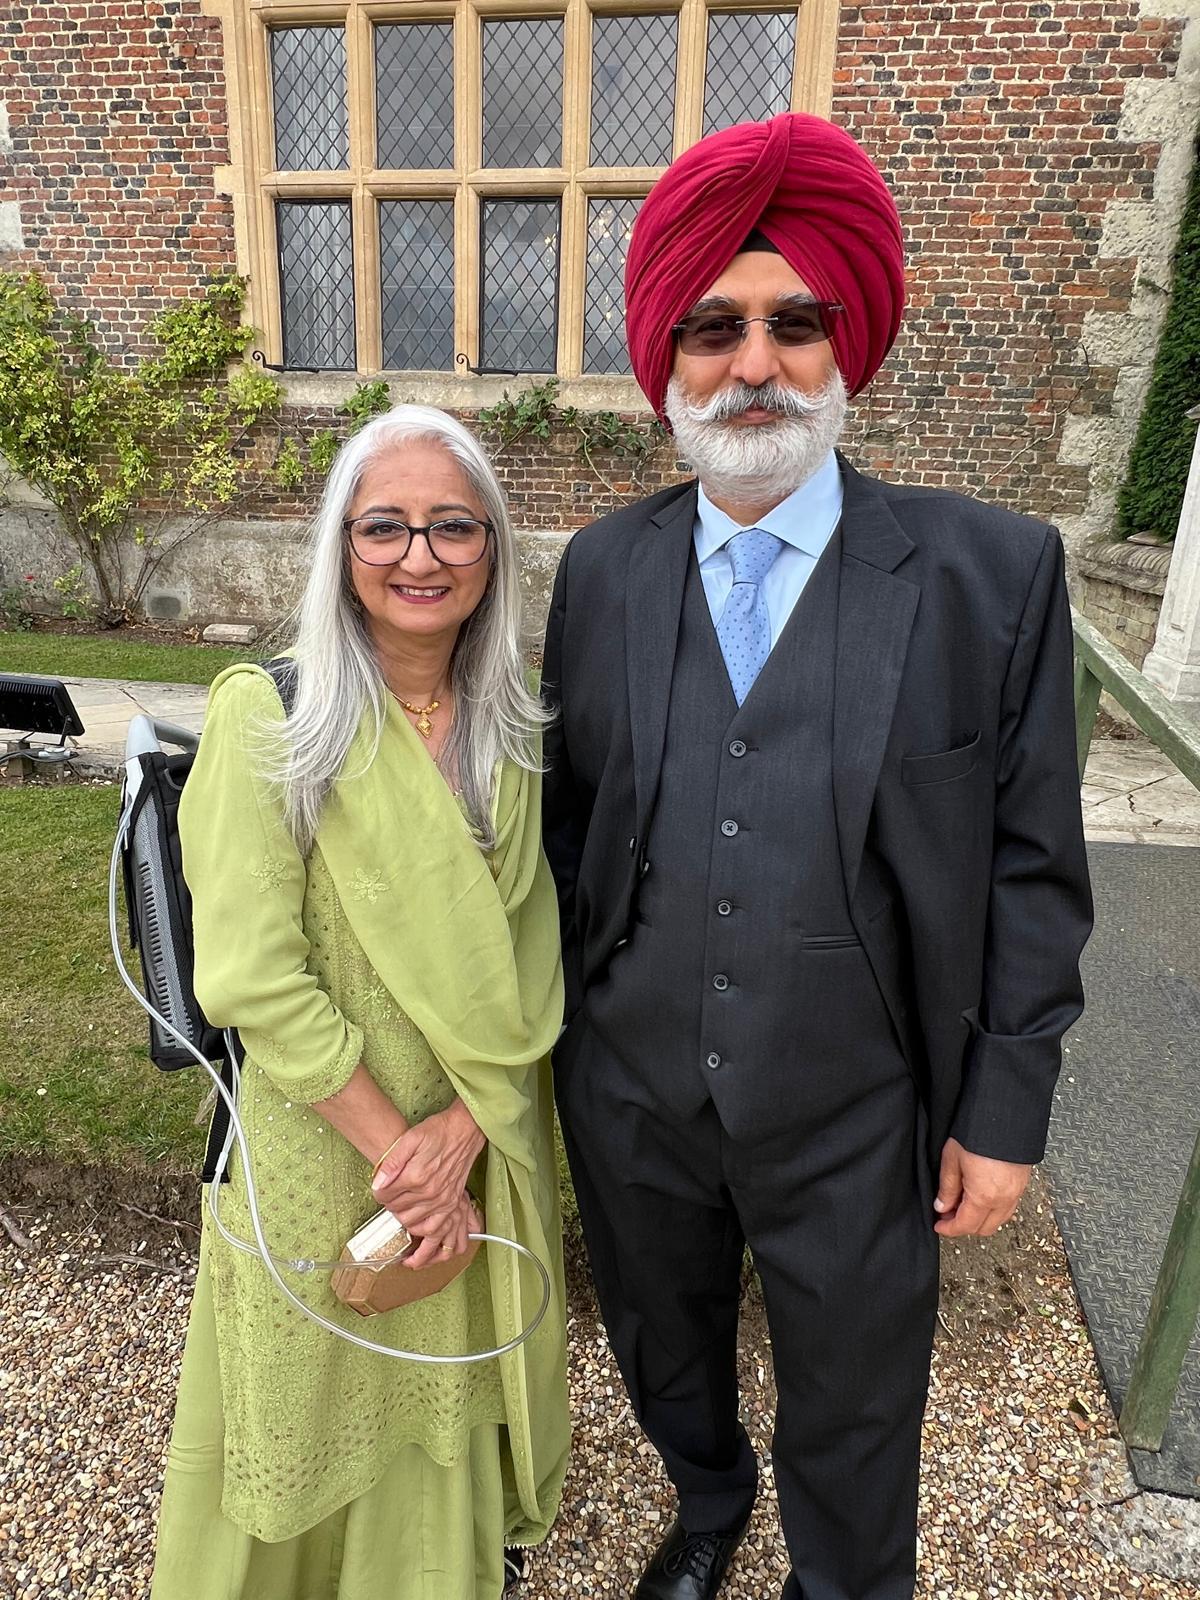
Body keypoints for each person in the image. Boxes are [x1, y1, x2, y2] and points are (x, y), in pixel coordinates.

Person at [542, 112, 1092, 1600]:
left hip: (860, 1104)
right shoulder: (603, 569)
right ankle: (708, 1498)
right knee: (662, 1342)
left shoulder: (991, 575)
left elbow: (1034, 867)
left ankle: (842, 1580)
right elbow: (576, 828)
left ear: (845, 346)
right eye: (714, 326)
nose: (755, 362)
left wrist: (1008, 1106)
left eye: (795, 321)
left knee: (857, 1400)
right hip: (636, 1091)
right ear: (668, 358)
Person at [150, 405, 570, 1600]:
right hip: (320, 1137)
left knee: (437, 1366)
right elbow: (251, 976)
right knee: (304, 1373)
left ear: (492, 553)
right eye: (384, 526)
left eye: (452, 526)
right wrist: (407, 1161)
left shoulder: (512, 733)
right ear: (342, 546)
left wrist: (462, 1138)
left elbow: (533, 945)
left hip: (465, 1123)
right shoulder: (268, 718)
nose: (419, 556)